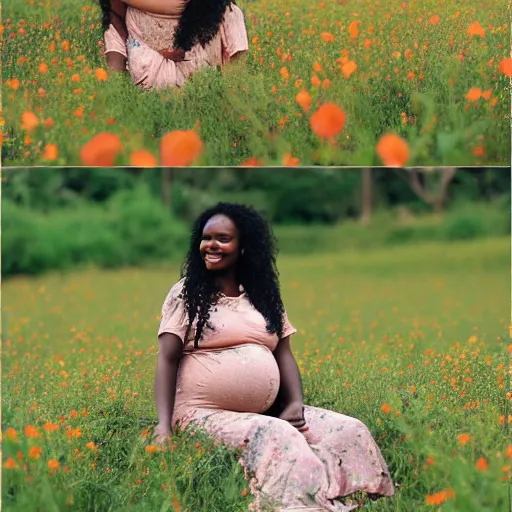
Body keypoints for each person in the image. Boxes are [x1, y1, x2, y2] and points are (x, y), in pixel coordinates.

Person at [153, 202, 395, 512]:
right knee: (279, 435)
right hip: (200, 412)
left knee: (348, 430)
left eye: (222, 238)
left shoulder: (262, 294)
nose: (210, 245)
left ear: (244, 247)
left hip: (269, 410)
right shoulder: (187, 292)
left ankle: (359, 502)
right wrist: (163, 426)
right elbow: (167, 358)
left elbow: (284, 354)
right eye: (206, 237)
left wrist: (295, 403)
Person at [99, 0, 249, 90]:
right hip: (151, 61)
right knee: (114, 24)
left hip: (196, 60)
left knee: (232, 12)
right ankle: (115, 87)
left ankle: (235, 89)